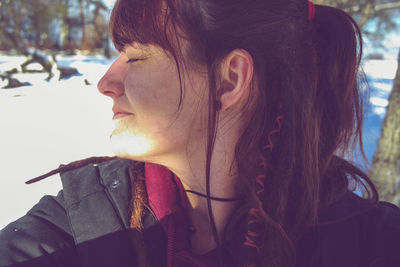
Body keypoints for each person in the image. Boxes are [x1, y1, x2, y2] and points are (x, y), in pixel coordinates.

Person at [1, 0, 400, 266]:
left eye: (136, 56)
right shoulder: (80, 220)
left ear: (228, 80)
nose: (107, 81)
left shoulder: (374, 245)